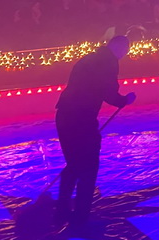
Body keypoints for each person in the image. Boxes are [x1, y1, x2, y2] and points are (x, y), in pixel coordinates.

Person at [54, 35, 137, 229]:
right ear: (119, 48)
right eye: (125, 50)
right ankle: (81, 216)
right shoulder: (109, 62)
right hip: (82, 119)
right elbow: (108, 92)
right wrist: (125, 100)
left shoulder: (88, 58)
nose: (124, 55)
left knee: (73, 164)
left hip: (64, 116)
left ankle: (61, 210)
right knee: (89, 168)